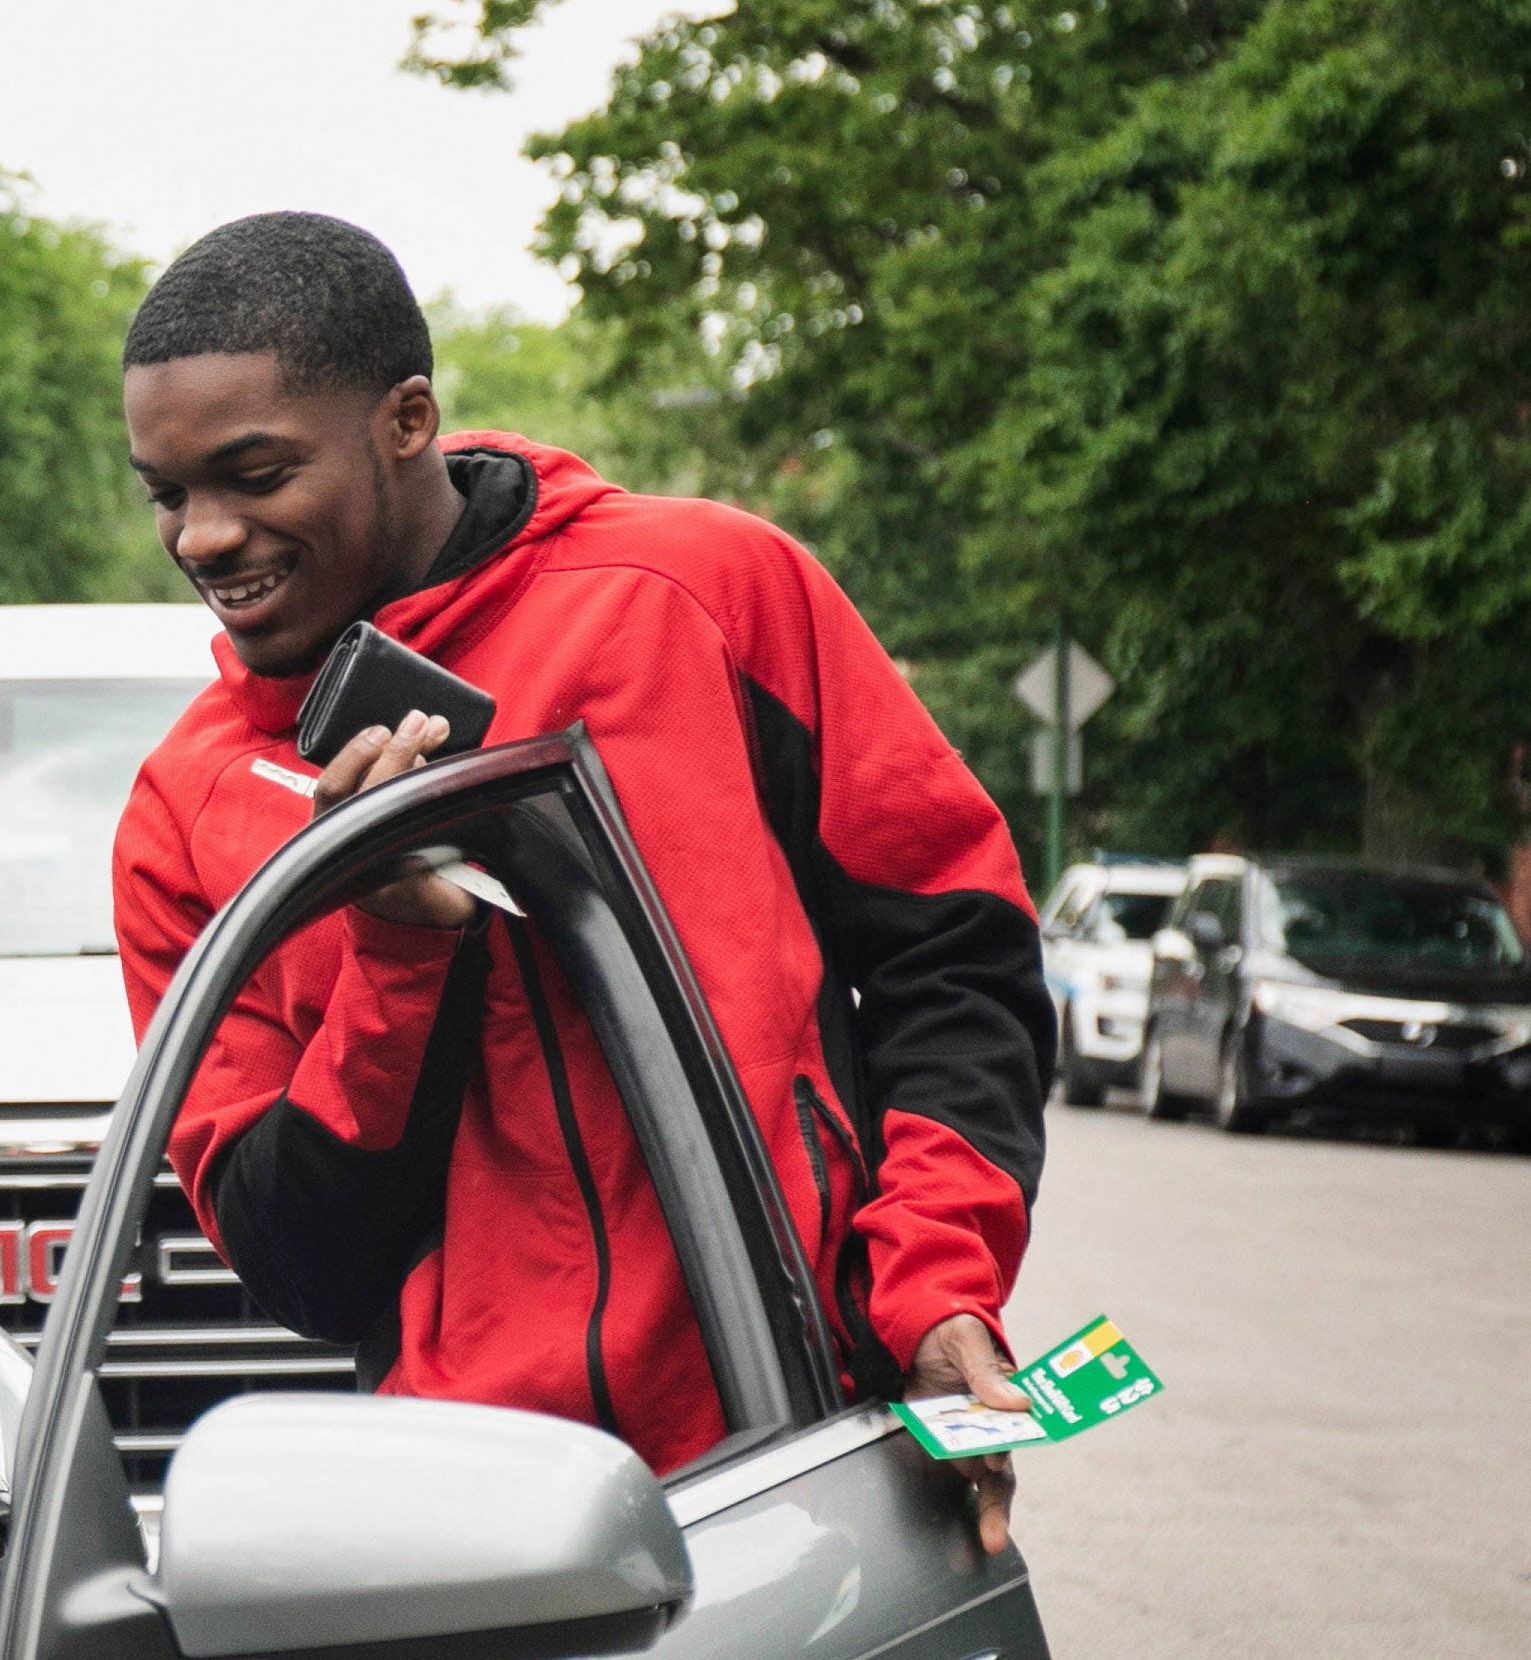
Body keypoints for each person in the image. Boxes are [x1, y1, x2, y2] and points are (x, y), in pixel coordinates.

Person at [108, 214, 1053, 1548]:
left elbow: (953, 956)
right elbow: (303, 1265)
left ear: (408, 420)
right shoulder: (185, 813)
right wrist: (396, 958)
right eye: (166, 492)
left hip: (816, 1448)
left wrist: (938, 1287)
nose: (204, 535)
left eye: (253, 475)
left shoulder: (703, 594)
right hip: (474, 1526)